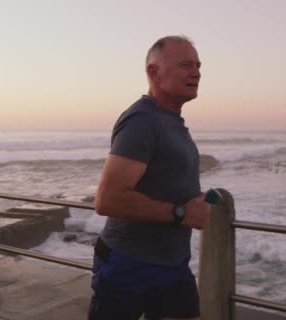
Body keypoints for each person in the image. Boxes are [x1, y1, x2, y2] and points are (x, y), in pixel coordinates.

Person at [89, 35, 211, 320]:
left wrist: (192, 202)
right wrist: (181, 212)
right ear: (153, 72)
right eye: (185, 65)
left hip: (173, 264)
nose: (196, 72)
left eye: (198, 65)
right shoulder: (142, 120)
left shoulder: (171, 121)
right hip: (129, 264)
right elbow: (107, 200)